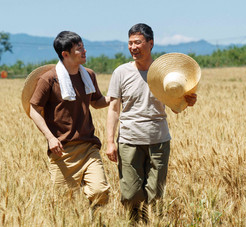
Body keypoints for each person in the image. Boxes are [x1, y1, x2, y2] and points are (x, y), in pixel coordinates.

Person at [106, 23, 197, 223]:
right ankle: (133, 222)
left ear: (150, 43)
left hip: (159, 140)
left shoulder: (165, 75)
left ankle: (150, 222)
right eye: (130, 43)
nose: (133, 47)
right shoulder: (121, 73)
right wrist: (110, 141)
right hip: (129, 140)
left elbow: (175, 106)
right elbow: (113, 108)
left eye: (137, 42)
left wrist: (187, 101)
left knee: (155, 194)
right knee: (130, 194)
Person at [29, 31, 111, 213]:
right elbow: (34, 109)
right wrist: (50, 138)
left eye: (83, 46)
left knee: (100, 192)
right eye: (79, 48)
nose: (84, 51)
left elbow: (96, 102)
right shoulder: (49, 79)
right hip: (62, 151)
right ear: (65, 54)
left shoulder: (88, 75)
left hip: (89, 147)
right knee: (64, 205)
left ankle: (95, 223)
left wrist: (115, 97)